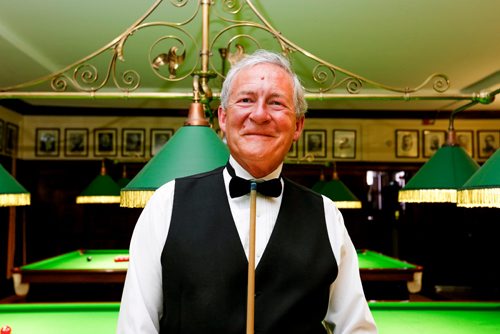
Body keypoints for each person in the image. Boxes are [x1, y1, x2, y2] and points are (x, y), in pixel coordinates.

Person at [117, 50, 377, 333]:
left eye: (276, 103)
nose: (260, 114)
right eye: (246, 100)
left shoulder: (327, 214)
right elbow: (137, 327)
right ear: (223, 119)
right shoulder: (165, 203)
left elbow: (355, 328)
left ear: (298, 126)